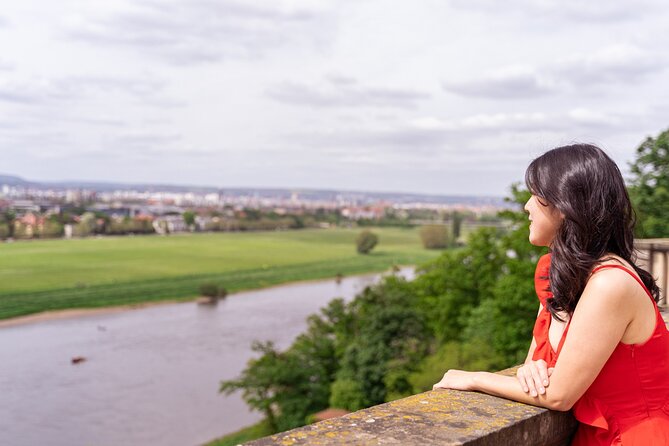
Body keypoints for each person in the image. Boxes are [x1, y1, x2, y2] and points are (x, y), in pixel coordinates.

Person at [433, 144, 669, 444]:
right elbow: (535, 366)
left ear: (565, 206)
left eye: (536, 195)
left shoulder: (611, 283)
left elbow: (558, 395)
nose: (526, 206)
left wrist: (472, 378)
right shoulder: (558, 274)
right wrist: (533, 367)